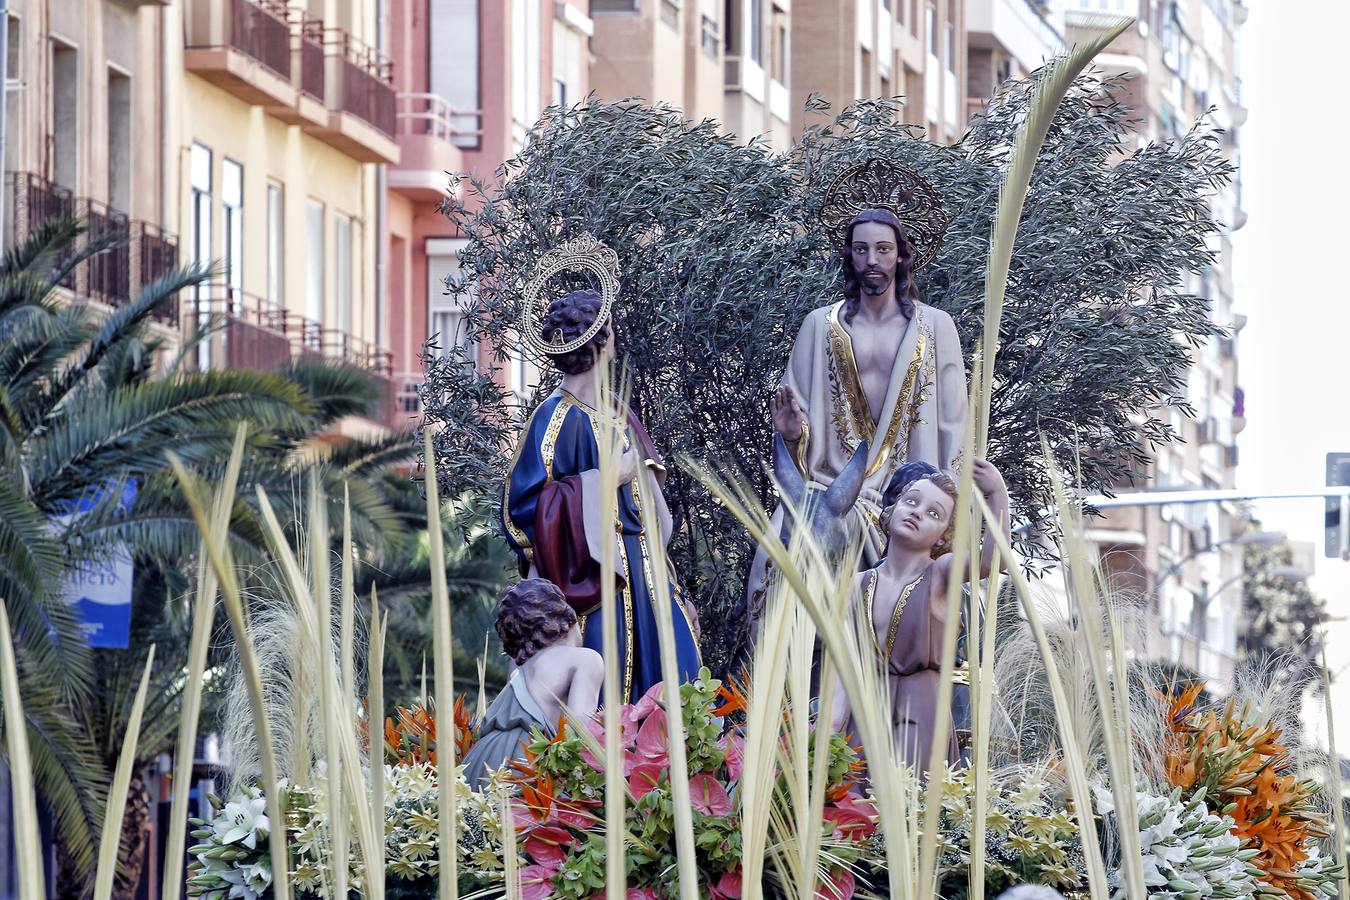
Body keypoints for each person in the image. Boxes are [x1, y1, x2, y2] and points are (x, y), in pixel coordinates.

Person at [745, 158, 969, 641]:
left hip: (909, 496)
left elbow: (953, 428)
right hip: (826, 491)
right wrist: (791, 434)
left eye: (883, 250)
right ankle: (775, 696)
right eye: (862, 249)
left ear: (901, 257)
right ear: (849, 255)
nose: (872, 261)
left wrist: (945, 506)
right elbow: (795, 428)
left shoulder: (936, 329)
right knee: (772, 554)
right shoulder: (818, 327)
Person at [501, 234, 701, 704]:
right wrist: (607, 480)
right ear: (602, 338)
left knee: (676, 675)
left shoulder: (616, 411)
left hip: (646, 567)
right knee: (609, 684)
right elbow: (523, 510)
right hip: (596, 579)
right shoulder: (556, 417)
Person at [829, 458, 1010, 773]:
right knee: (855, 805)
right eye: (911, 501)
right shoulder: (857, 584)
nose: (917, 512)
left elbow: (993, 562)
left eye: (933, 513)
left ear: (943, 536)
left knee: (910, 801)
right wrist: (830, 728)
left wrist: (997, 496)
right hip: (866, 710)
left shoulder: (940, 573)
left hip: (919, 711)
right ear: (894, 507)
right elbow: (846, 663)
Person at [462, 579, 603, 789]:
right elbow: (582, 735)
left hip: (479, 760)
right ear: (567, 616)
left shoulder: (520, 669)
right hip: (525, 761)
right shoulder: (585, 659)